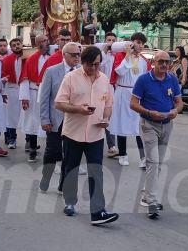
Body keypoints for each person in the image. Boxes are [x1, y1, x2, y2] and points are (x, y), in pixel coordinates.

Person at [54, 46, 119, 225]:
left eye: (97, 64)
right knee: (71, 168)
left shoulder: (104, 79)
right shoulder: (71, 78)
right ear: (83, 62)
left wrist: (106, 118)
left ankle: (98, 211)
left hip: (96, 133)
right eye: (91, 65)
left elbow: (108, 104)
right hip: (73, 133)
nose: (94, 68)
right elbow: (59, 103)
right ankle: (70, 202)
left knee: (96, 172)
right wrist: (78, 109)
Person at [130, 51, 183, 219]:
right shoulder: (144, 80)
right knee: (153, 161)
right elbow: (133, 103)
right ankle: (152, 202)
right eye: (161, 62)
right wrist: (149, 112)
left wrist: (176, 111)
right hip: (149, 125)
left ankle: (147, 194)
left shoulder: (172, 79)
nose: (165, 65)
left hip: (167, 125)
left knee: (158, 163)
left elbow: (179, 102)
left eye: (167, 62)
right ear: (154, 62)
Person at [38, 41, 82, 192]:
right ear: (64, 55)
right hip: (55, 119)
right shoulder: (52, 71)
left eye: (79, 54)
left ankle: (64, 183)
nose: (77, 57)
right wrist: (45, 119)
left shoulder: (82, 71)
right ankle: (46, 177)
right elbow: (44, 98)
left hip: (74, 120)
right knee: (53, 151)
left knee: (70, 154)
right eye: (74, 54)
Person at [110, 32, 151, 167]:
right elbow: (119, 72)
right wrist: (127, 55)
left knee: (138, 126)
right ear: (132, 43)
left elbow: (147, 79)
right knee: (122, 124)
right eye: (138, 42)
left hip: (137, 95)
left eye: (142, 43)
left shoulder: (144, 61)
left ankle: (143, 158)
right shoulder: (120, 56)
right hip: (122, 92)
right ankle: (122, 154)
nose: (140, 46)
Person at [19, 35, 51, 160]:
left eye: (47, 40)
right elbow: (24, 80)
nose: (47, 42)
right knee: (33, 123)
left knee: (50, 122)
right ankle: (32, 149)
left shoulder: (53, 58)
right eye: (44, 41)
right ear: (38, 44)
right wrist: (25, 98)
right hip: (33, 93)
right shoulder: (31, 59)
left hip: (48, 94)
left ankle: (51, 150)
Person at [0, 38, 25, 150]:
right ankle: (12, 139)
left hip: (25, 88)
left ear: (22, 44)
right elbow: (3, 75)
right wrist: (4, 92)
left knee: (27, 115)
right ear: (11, 47)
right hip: (12, 89)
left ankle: (30, 141)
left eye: (18, 44)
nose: (16, 46)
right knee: (11, 116)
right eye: (14, 45)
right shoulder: (7, 59)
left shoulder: (28, 57)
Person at [98, 32, 119, 158]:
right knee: (97, 114)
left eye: (113, 40)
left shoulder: (118, 55)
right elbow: (99, 66)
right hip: (100, 87)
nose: (111, 42)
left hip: (112, 87)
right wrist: (105, 51)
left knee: (109, 116)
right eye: (109, 40)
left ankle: (112, 146)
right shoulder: (101, 54)